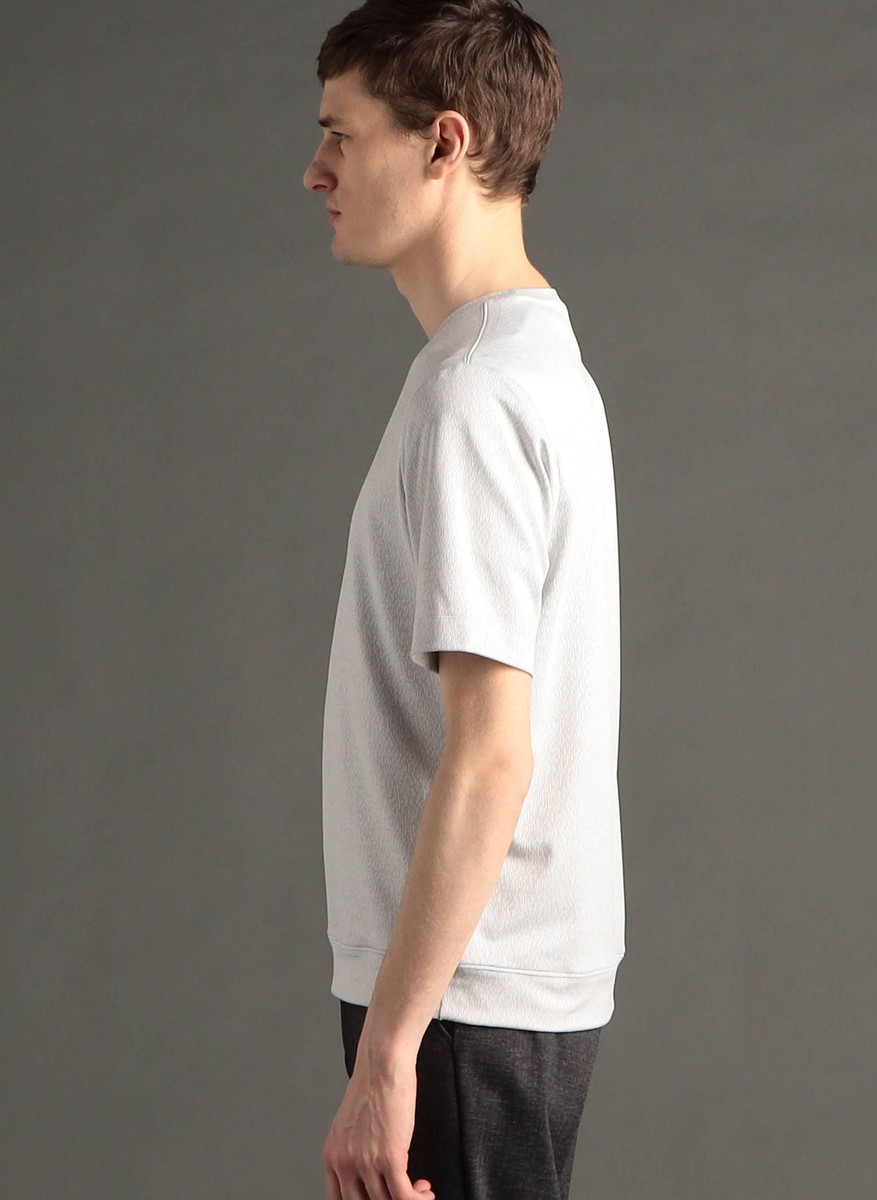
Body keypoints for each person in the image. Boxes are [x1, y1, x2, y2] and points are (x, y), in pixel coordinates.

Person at [302, 3, 626, 1197]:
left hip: (461, 1003)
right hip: (476, 995)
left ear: (444, 142)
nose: (315, 171)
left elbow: (491, 753)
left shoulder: (476, 394)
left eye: (342, 135)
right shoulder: (519, 359)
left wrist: (388, 1057)